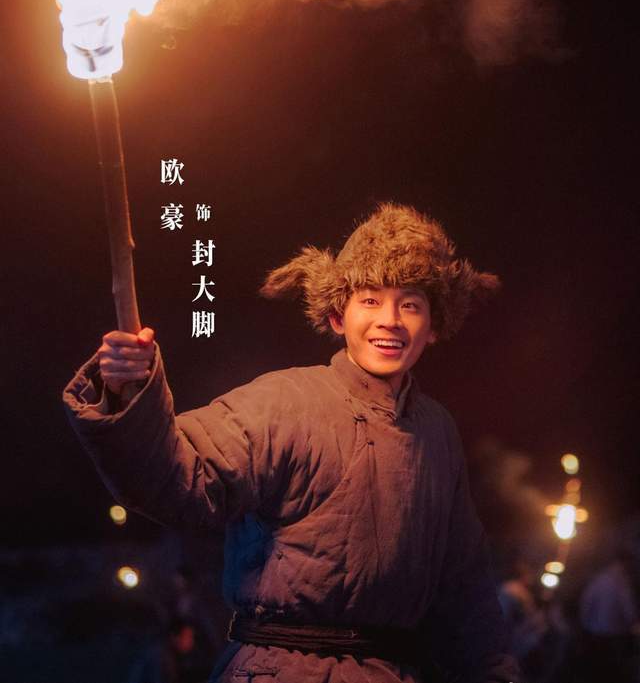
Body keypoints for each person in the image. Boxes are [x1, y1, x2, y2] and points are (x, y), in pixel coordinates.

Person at [63, 203, 519, 683]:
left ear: (434, 324)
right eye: (369, 300)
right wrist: (127, 391)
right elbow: (178, 476)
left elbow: (464, 585)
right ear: (338, 316)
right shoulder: (284, 401)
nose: (390, 319)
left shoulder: (437, 432)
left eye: (410, 304)